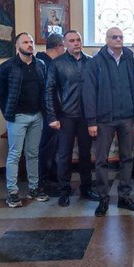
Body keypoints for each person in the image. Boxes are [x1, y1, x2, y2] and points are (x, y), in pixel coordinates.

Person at [83, 27, 134, 217]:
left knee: (127, 158)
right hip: (104, 120)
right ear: (107, 39)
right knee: (101, 160)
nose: (118, 39)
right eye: (114, 37)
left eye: (121, 37)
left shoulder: (130, 60)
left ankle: (124, 197)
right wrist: (91, 121)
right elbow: (89, 92)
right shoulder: (96, 62)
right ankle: (103, 199)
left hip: (127, 118)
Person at [46, 30, 99, 206]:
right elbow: (49, 91)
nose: (76, 43)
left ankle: (86, 188)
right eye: (72, 41)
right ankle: (64, 191)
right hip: (65, 115)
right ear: (65, 44)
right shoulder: (57, 63)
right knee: (64, 155)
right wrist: (52, 116)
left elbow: (97, 89)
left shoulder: (91, 62)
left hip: (86, 116)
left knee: (85, 154)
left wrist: (95, 116)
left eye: (78, 40)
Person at [0, 33, 49, 207]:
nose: (30, 45)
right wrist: (8, 113)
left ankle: (34, 188)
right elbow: (0, 93)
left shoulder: (40, 65)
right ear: (17, 46)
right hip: (17, 117)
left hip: (37, 115)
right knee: (15, 154)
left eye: (31, 41)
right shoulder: (7, 67)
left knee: (33, 153)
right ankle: (12, 192)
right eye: (25, 42)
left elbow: (45, 90)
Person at [36, 33, 65, 186]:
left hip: (54, 112)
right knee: (47, 148)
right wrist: (51, 115)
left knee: (54, 147)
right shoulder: (43, 64)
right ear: (60, 47)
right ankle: (45, 181)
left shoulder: (49, 62)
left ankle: (54, 178)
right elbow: (46, 92)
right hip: (48, 113)